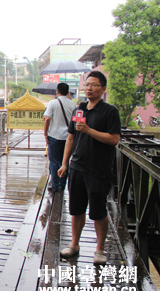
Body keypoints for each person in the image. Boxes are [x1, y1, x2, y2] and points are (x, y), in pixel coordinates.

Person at [58, 71, 121, 265]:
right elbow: (71, 137)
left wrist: (89, 130)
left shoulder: (110, 111)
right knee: (76, 209)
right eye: (87, 84)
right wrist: (64, 163)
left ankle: (100, 250)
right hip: (77, 167)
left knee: (98, 211)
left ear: (103, 89)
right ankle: (74, 245)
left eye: (94, 85)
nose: (89, 88)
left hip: (98, 169)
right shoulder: (80, 110)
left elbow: (114, 139)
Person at [43, 83, 75, 192]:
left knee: (54, 161)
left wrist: (45, 133)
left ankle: (55, 184)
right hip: (69, 138)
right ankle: (62, 184)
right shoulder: (73, 104)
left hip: (54, 136)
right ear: (68, 92)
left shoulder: (53, 103)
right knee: (65, 162)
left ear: (57, 91)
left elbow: (47, 119)